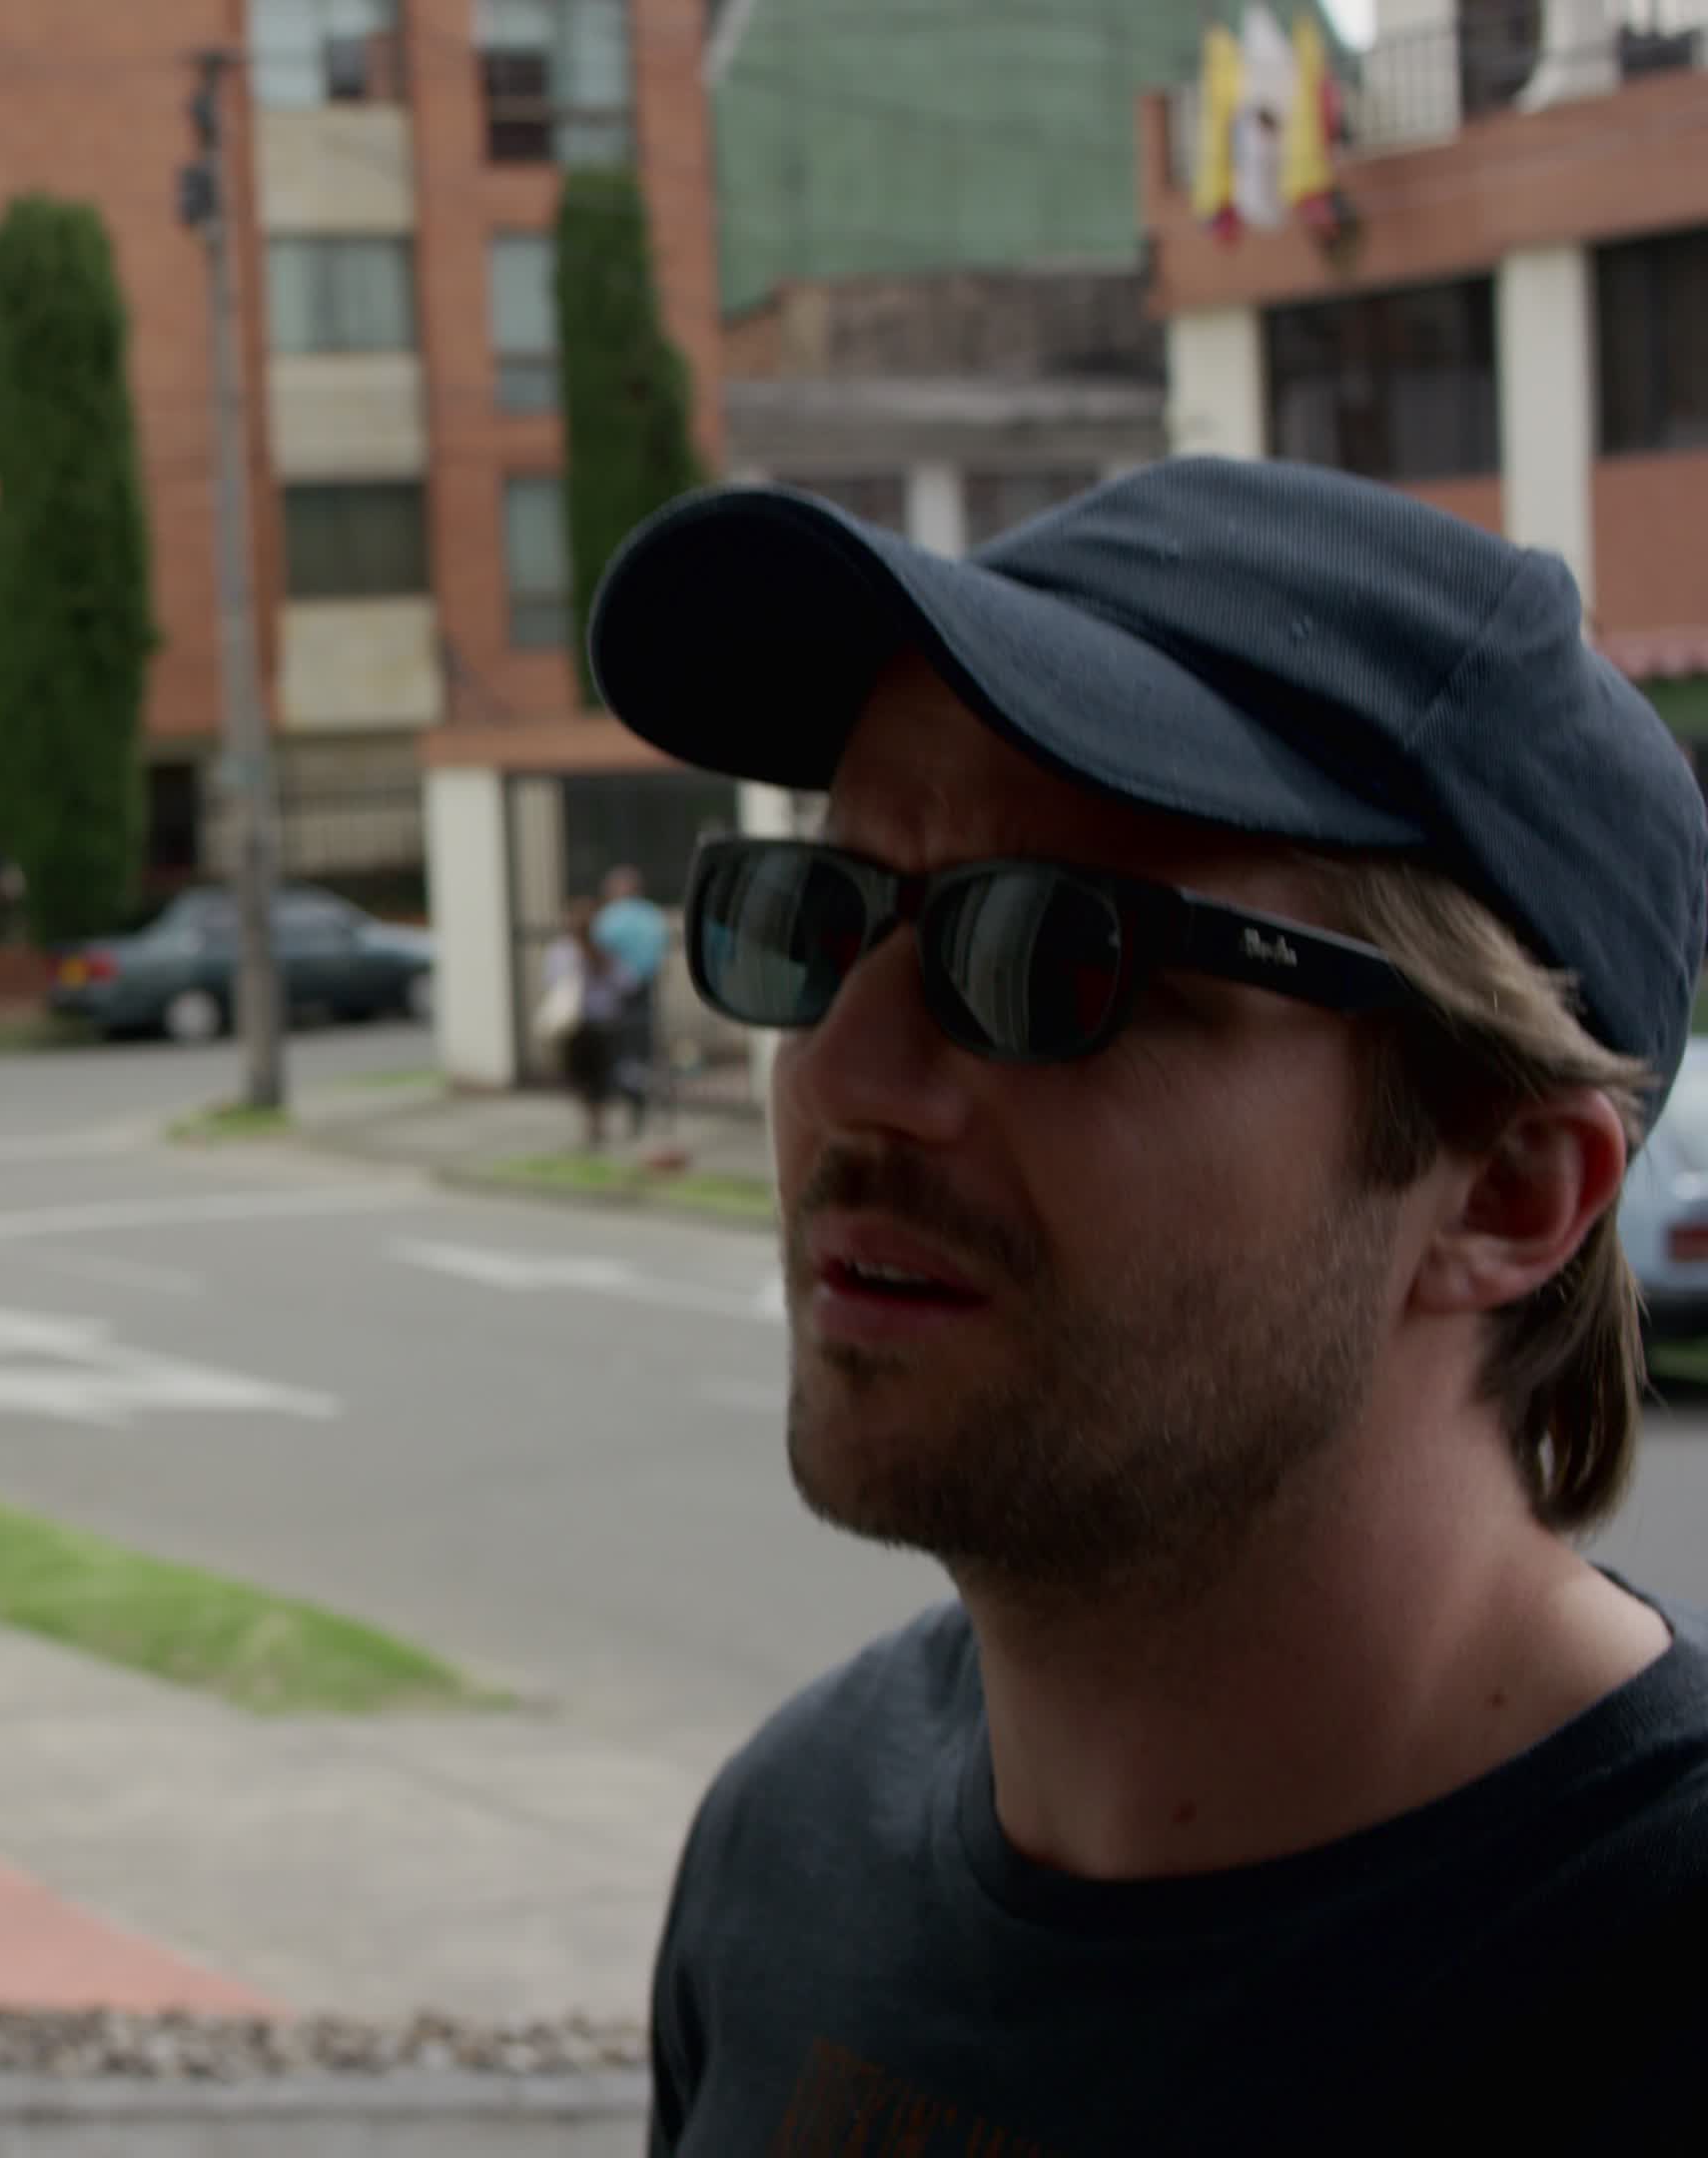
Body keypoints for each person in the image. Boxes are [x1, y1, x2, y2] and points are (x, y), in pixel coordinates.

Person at [581, 458, 1708, 2154]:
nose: (843, 1073)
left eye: (1052, 954)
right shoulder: (787, 1847)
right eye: (816, 918)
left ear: (1504, 1191)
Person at [539, 896, 629, 1148]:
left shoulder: (603, 951)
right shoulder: (562, 952)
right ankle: (593, 1121)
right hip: (578, 1023)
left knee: (595, 1075)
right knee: (585, 1075)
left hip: (597, 1023)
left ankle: (596, 1122)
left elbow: (623, 982)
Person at [591, 864, 671, 1127]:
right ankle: (640, 1096)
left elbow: (599, 951)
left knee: (621, 1046)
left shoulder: (610, 917)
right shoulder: (651, 915)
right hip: (644, 987)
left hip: (615, 992)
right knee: (641, 1045)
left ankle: (630, 1095)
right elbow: (659, 952)